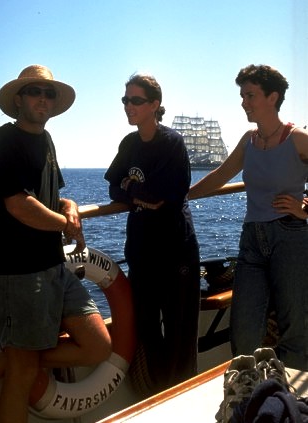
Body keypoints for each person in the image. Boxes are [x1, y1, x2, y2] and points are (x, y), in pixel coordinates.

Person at [0, 65, 111, 423]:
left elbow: (55, 196)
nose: (43, 99)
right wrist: (66, 224)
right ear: (19, 99)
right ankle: (8, 362)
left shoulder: (45, 141)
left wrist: (72, 209)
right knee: (23, 372)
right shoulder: (3, 141)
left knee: (98, 345)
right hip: (16, 270)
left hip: (51, 264)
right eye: (35, 92)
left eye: (48, 94)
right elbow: (19, 205)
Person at [189, 64, 308, 370]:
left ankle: (291, 407)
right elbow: (221, 175)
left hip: (290, 238)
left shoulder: (297, 138)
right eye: (242, 95)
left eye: (250, 95)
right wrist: (182, 196)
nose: (244, 102)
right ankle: (250, 398)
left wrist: (303, 209)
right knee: (244, 329)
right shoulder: (248, 140)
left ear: (273, 97)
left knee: (294, 327)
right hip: (252, 240)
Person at [104, 72, 200, 393]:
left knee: (179, 332)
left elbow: (165, 196)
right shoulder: (129, 144)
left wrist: (133, 189)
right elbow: (113, 186)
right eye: (125, 100)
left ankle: (183, 398)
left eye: (136, 100)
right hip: (142, 252)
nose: (128, 106)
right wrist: (136, 190)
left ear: (154, 105)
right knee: (146, 326)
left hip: (175, 251)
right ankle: (160, 396)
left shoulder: (172, 143)